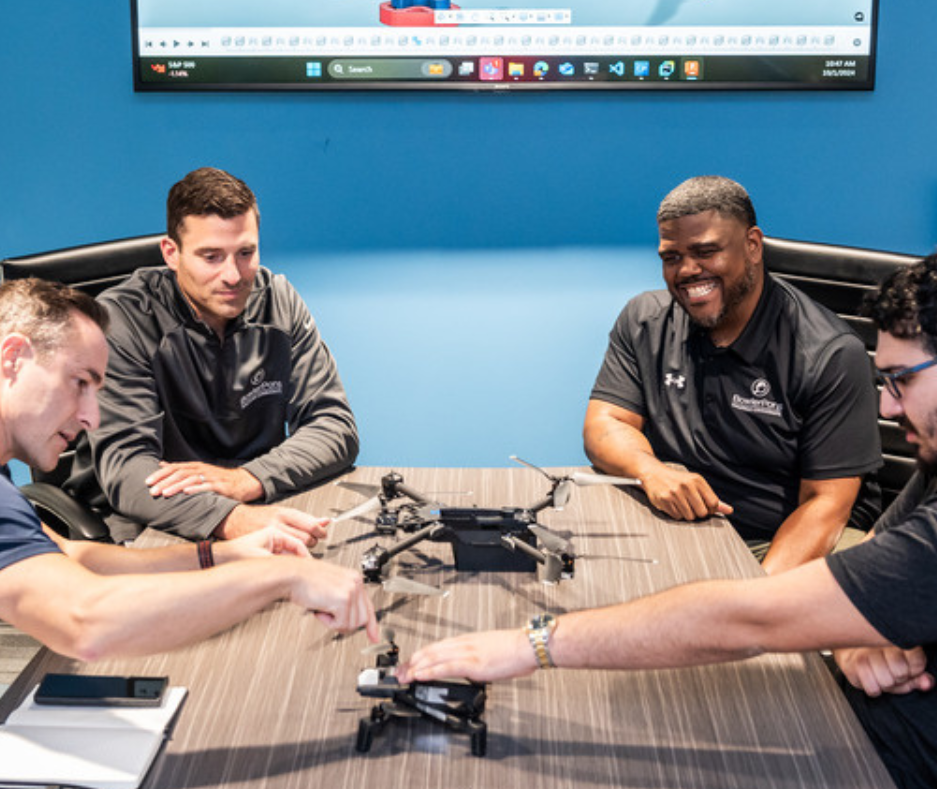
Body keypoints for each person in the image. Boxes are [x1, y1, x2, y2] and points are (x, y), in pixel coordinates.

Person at [400, 252, 937, 789]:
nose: (887, 408)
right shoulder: (931, 470)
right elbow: (867, 572)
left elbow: (749, 617)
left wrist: (530, 645)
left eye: (899, 381)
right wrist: (855, 631)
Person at [0, 279, 377, 789]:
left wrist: (223, 556)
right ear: (13, 358)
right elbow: (86, 623)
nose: (91, 416)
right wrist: (282, 580)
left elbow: (70, 553)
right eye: (80, 382)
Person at [583, 175, 881, 573]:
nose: (687, 271)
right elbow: (605, 424)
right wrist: (649, 470)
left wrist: (750, 605)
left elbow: (825, 506)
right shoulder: (645, 321)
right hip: (676, 527)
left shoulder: (828, 353)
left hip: (774, 538)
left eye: (705, 251)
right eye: (671, 258)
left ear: (752, 246)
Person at [65, 168, 359, 545]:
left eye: (245, 253)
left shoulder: (279, 301)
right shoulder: (121, 321)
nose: (233, 276)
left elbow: (334, 426)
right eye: (211, 256)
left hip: (252, 502)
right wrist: (232, 518)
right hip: (151, 523)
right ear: (171, 254)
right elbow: (128, 470)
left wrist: (245, 480)